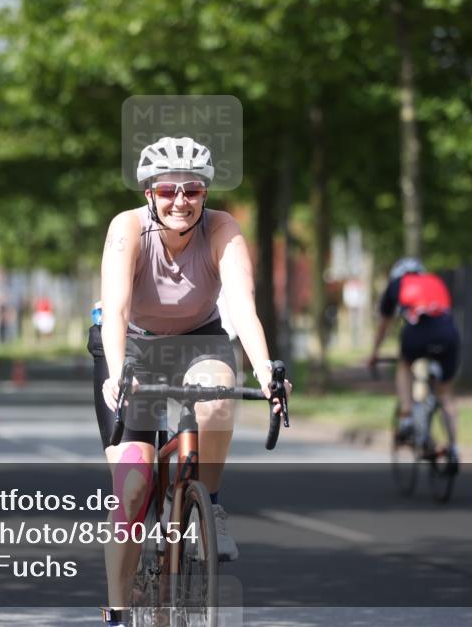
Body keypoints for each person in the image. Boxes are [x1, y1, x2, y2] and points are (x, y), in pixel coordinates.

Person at [90, 136, 289, 627]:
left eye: (193, 191)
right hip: (130, 342)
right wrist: (118, 375)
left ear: (205, 194)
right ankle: (117, 613)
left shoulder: (223, 229)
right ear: (149, 194)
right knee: (132, 487)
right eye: (167, 191)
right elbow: (114, 309)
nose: (180, 200)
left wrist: (266, 373)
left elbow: (241, 306)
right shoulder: (127, 229)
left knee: (218, 397)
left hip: (197, 340)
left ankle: (210, 506)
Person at [367, 257, 461, 467]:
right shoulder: (435, 280)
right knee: (445, 393)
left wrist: (374, 353)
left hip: (418, 330)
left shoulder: (397, 284)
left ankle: (407, 416)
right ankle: (454, 447)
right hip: (448, 333)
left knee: (404, 365)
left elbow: (384, 324)